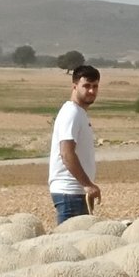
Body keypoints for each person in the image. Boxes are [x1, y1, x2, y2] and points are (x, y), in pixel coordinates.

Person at [49, 64, 101, 224]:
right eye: (86, 86)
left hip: (76, 193)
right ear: (74, 86)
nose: (91, 91)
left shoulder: (79, 113)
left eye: (95, 86)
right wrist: (88, 185)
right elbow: (66, 153)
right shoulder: (71, 113)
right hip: (70, 193)